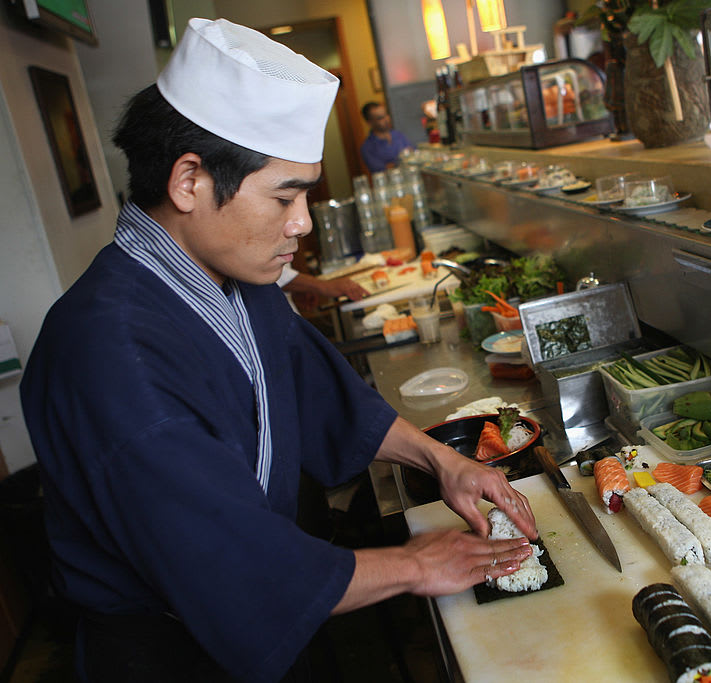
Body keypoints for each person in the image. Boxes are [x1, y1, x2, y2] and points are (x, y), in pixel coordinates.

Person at [19, 17, 536, 683]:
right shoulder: (106, 354)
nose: (303, 223)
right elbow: (225, 561)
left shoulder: (236, 275)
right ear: (188, 182)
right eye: (285, 196)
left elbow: (316, 392)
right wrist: (414, 562)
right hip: (169, 655)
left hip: (278, 604)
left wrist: (441, 460)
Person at [359, 101, 413, 173]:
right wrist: (403, 160)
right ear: (370, 122)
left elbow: (413, 154)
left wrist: (394, 164)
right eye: (380, 118)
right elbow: (381, 171)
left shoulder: (398, 134)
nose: (387, 119)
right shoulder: (367, 147)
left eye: (386, 115)